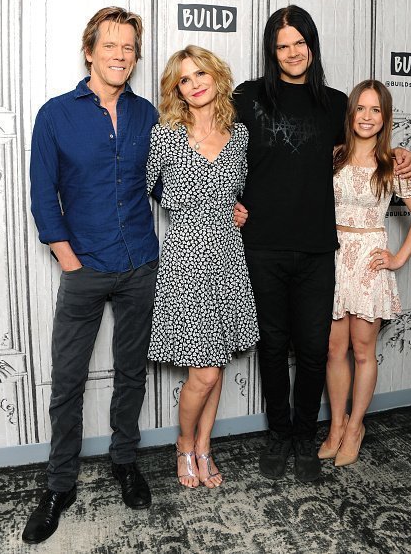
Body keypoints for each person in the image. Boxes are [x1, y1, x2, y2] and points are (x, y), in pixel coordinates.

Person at [233, 5, 411, 483]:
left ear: (312, 46)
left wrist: (404, 153)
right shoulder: (249, 97)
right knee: (274, 346)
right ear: (272, 52)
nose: (293, 52)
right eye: (283, 45)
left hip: (321, 250)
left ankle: (302, 437)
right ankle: (278, 436)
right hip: (264, 245)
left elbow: (367, 146)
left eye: (301, 42)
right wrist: (222, 200)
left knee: (315, 350)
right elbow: (213, 143)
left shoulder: (337, 104)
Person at [23, 7, 159, 544]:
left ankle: (125, 461)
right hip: (83, 267)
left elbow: (169, 181)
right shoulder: (56, 114)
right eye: (111, 46)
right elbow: (42, 194)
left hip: (140, 264)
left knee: (131, 373)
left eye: (129, 48)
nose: (121, 56)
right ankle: (59, 483)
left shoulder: (148, 114)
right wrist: (69, 260)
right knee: (69, 381)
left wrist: (224, 207)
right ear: (90, 50)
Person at [146, 45, 259, 489]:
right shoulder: (165, 135)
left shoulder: (240, 134)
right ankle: (183, 444)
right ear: (177, 88)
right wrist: (189, 207)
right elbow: (148, 190)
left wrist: (235, 209)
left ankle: (204, 445)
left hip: (229, 257)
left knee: (219, 362)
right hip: (186, 260)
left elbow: (238, 190)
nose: (194, 84)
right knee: (204, 370)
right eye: (184, 79)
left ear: (216, 76)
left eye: (200, 74)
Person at [318, 80, 411, 466]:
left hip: (368, 260)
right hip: (333, 256)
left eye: (375, 110)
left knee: (363, 351)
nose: (367, 117)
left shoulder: (392, 164)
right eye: (360, 109)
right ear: (350, 114)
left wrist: (397, 258)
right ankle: (336, 425)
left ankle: (355, 427)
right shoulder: (333, 156)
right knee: (334, 349)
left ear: (385, 117)